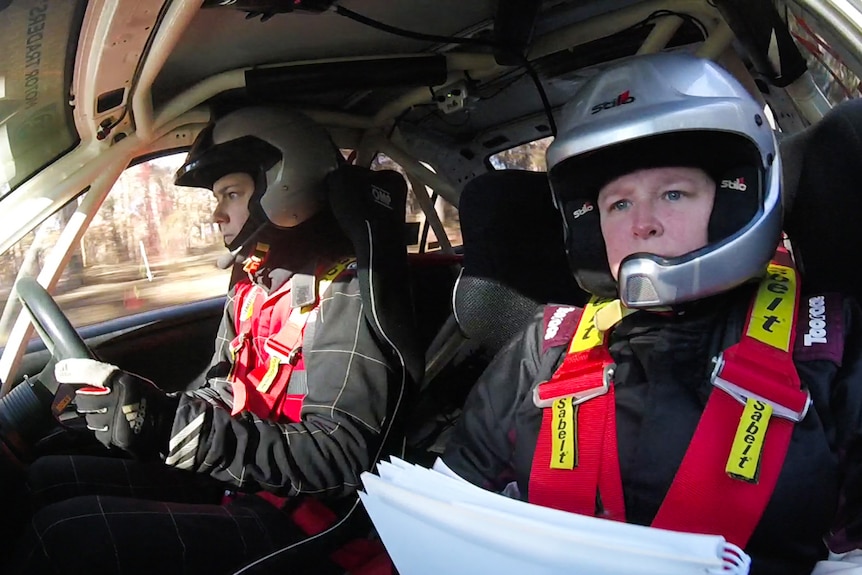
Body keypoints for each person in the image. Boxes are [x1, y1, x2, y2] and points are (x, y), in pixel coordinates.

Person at [440, 52, 862, 575]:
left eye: (673, 193)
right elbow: (451, 502)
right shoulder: (545, 346)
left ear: (736, 199)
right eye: (618, 204)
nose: (643, 225)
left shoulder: (829, 345)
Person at [6, 107, 405, 574]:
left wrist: (174, 428)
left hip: (302, 516)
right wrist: (146, 410)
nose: (216, 214)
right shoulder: (255, 281)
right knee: (46, 476)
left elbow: (340, 456)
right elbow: (226, 388)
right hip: (245, 477)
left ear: (286, 182)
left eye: (230, 194)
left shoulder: (347, 290)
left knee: (63, 535)